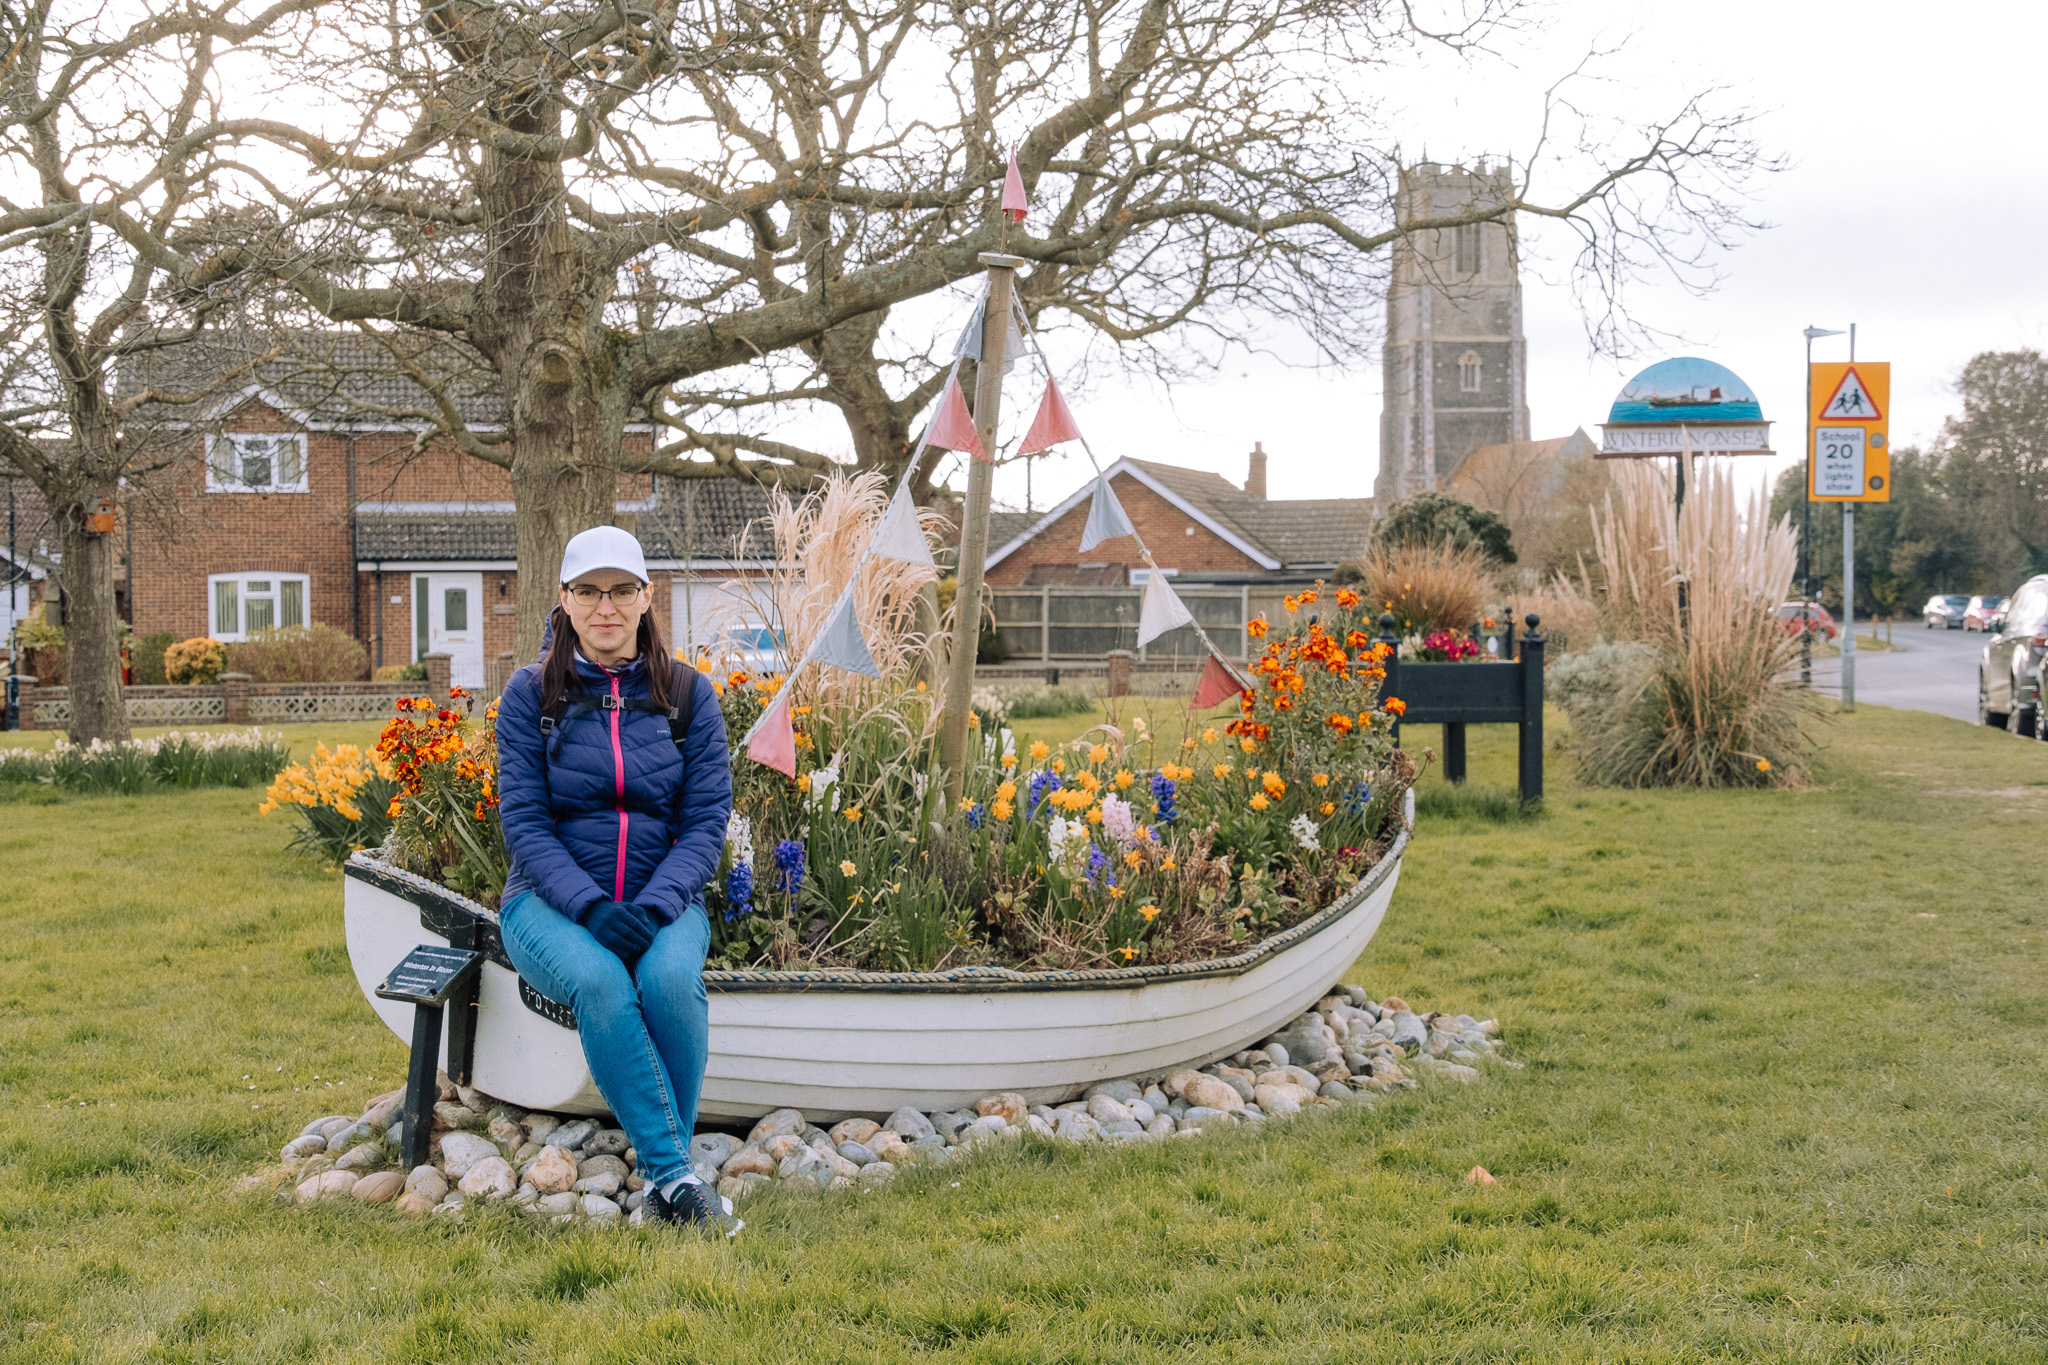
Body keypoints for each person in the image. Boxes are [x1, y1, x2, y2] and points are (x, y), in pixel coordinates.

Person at [494, 525, 737, 1231]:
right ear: (565, 599)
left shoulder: (687, 695)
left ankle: (668, 1180)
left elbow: (706, 820)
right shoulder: (531, 695)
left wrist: (656, 906)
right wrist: (591, 907)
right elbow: (525, 824)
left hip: (665, 900)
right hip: (548, 903)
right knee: (601, 981)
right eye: (590, 591)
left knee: (669, 981)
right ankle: (677, 1176)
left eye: (622, 590)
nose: (607, 606)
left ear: (646, 596)